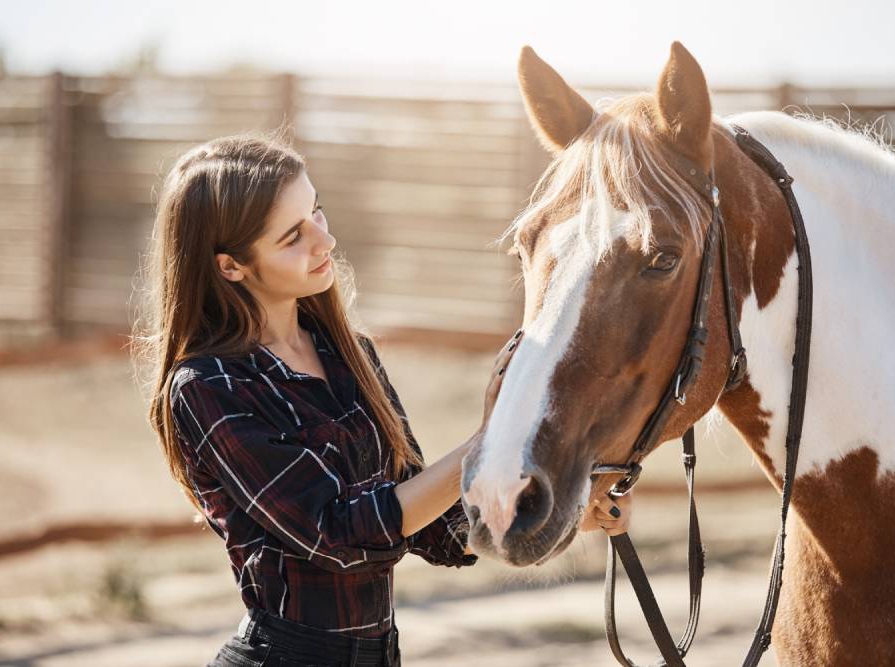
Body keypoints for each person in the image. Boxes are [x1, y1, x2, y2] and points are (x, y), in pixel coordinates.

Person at [134, 133, 631, 666]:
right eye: (292, 237)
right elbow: (338, 534)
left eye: (317, 212)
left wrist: (560, 510)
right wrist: (486, 440)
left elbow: (434, 528)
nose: (323, 241)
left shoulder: (349, 355)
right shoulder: (209, 387)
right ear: (231, 266)